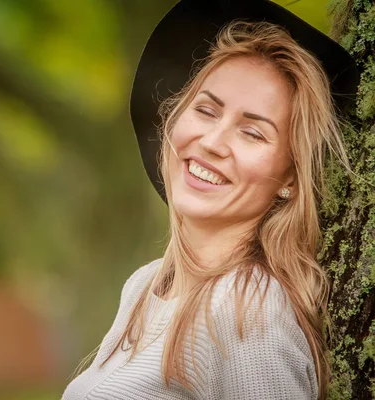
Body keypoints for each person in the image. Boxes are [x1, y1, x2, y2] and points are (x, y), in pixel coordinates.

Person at [61, 0, 359, 399]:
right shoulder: (146, 286)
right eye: (206, 110)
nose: (213, 143)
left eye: (253, 133)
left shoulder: (248, 311)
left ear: (289, 177)